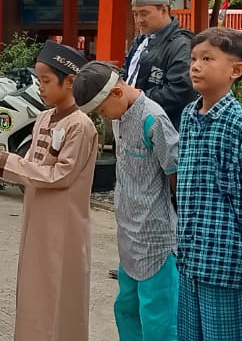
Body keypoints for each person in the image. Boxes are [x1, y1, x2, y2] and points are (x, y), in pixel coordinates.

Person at [0, 41, 98, 341]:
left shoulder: (81, 125)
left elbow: (61, 175)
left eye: (46, 81)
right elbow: (34, 163)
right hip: (37, 221)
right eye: (39, 81)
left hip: (65, 227)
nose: (41, 88)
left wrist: (12, 166)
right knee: (35, 292)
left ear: (70, 81)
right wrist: (9, 164)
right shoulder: (45, 118)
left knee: (61, 296)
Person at [174, 27, 242, 341]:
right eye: (193, 58)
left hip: (225, 259)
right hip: (189, 256)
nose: (196, 66)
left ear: (235, 70)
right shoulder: (188, 116)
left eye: (207, 58)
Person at [72, 60, 178, 341]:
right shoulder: (121, 116)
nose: (104, 117)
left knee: (158, 317)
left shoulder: (152, 119)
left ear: (117, 93)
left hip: (157, 235)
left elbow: (175, 173)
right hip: (129, 231)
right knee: (126, 308)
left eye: (101, 110)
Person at [124, 0, 195, 131]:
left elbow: (180, 90)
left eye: (144, 13)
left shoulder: (181, 44)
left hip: (164, 127)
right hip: (134, 121)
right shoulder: (140, 41)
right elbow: (125, 72)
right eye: (135, 14)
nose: (138, 20)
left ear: (163, 10)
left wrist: (134, 99)